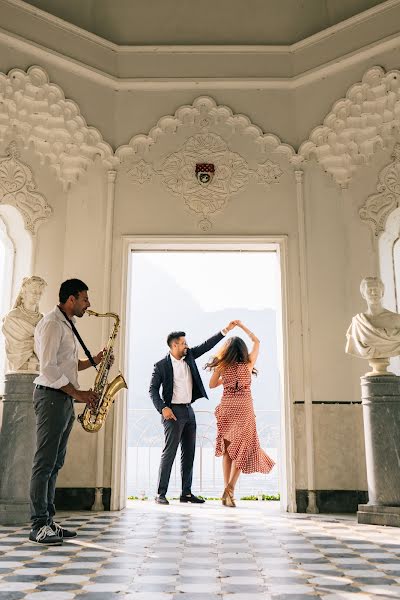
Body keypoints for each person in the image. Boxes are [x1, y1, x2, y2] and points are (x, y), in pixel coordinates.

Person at [29, 279, 103, 545]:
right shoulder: (51, 324)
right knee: (44, 463)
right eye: (84, 299)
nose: (88, 304)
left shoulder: (67, 324)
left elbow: (67, 366)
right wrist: (79, 394)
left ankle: (48, 521)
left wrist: (95, 360)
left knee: (55, 463)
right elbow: (47, 368)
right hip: (51, 397)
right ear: (71, 299)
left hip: (62, 398)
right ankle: (38, 525)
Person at [150, 322, 238, 505]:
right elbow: (152, 391)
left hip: (189, 411)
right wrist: (163, 408)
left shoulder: (189, 356)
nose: (186, 346)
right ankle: (160, 494)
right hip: (172, 412)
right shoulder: (160, 366)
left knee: (189, 453)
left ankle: (186, 493)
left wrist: (226, 330)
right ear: (174, 345)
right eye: (183, 343)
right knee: (170, 453)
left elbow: (206, 345)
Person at [206, 321, 275, 507]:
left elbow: (212, 385)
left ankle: (226, 491)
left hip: (227, 406)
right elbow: (257, 340)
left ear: (227, 350)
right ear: (243, 349)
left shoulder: (222, 365)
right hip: (244, 408)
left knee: (228, 451)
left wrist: (226, 382)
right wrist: (242, 326)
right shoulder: (249, 363)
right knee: (243, 450)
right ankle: (230, 491)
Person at [2, 276, 47, 372]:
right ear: (24, 292)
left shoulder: (43, 320)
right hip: (20, 369)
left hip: (39, 371)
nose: (37, 295)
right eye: (34, 292)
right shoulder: (12, 317)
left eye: (40, 293)